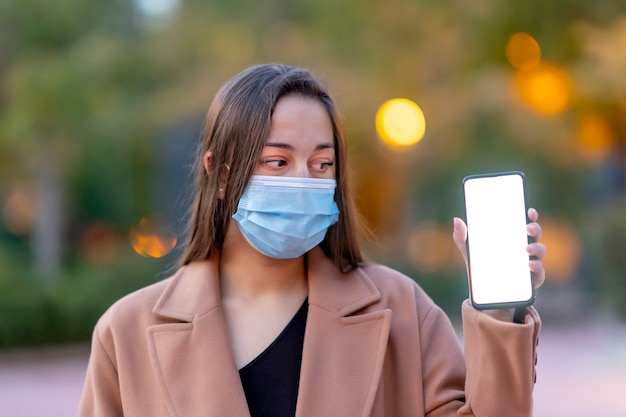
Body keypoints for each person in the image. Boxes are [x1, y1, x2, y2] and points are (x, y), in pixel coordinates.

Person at [78, 64, 546, 417]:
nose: (304, 179)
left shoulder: (403, 310)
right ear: (219, 175)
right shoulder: (125, 334)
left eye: (322, 164)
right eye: (278, 162)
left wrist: (501, 314)